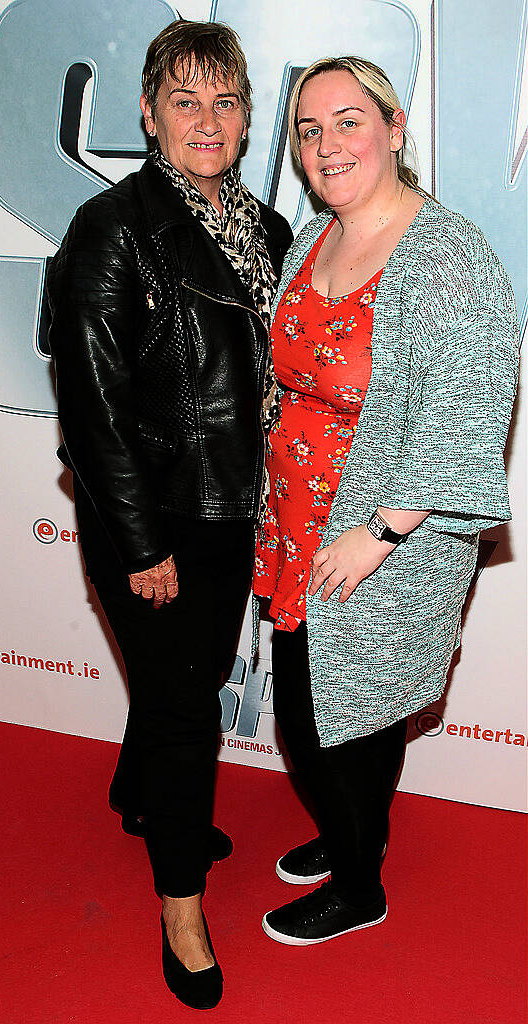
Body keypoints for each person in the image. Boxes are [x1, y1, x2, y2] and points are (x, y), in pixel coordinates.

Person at [47, 20, 292, 1008]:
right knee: (188, 704)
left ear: (244, 119)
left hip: (234, 505)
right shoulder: (110, 234)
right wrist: (142, 543)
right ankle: (180, 906)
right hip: (149, 515)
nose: (206, 118)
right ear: (147, 115)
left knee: (173, 675)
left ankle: (136, 798)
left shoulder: (265, 227)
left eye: (224, 100)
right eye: (183, 99)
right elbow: (91, 409)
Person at [253, 56, 519, 946]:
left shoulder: (445, 253)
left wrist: (380, 530)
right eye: (308, 127)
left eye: (348, 120)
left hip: (382, 535)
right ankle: (343, 836)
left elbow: (468, 407)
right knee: (306, 703)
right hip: (296, 522)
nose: (327, 143)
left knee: (349, 711)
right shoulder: (311, 239)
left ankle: (358, 886)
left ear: (394, 128)